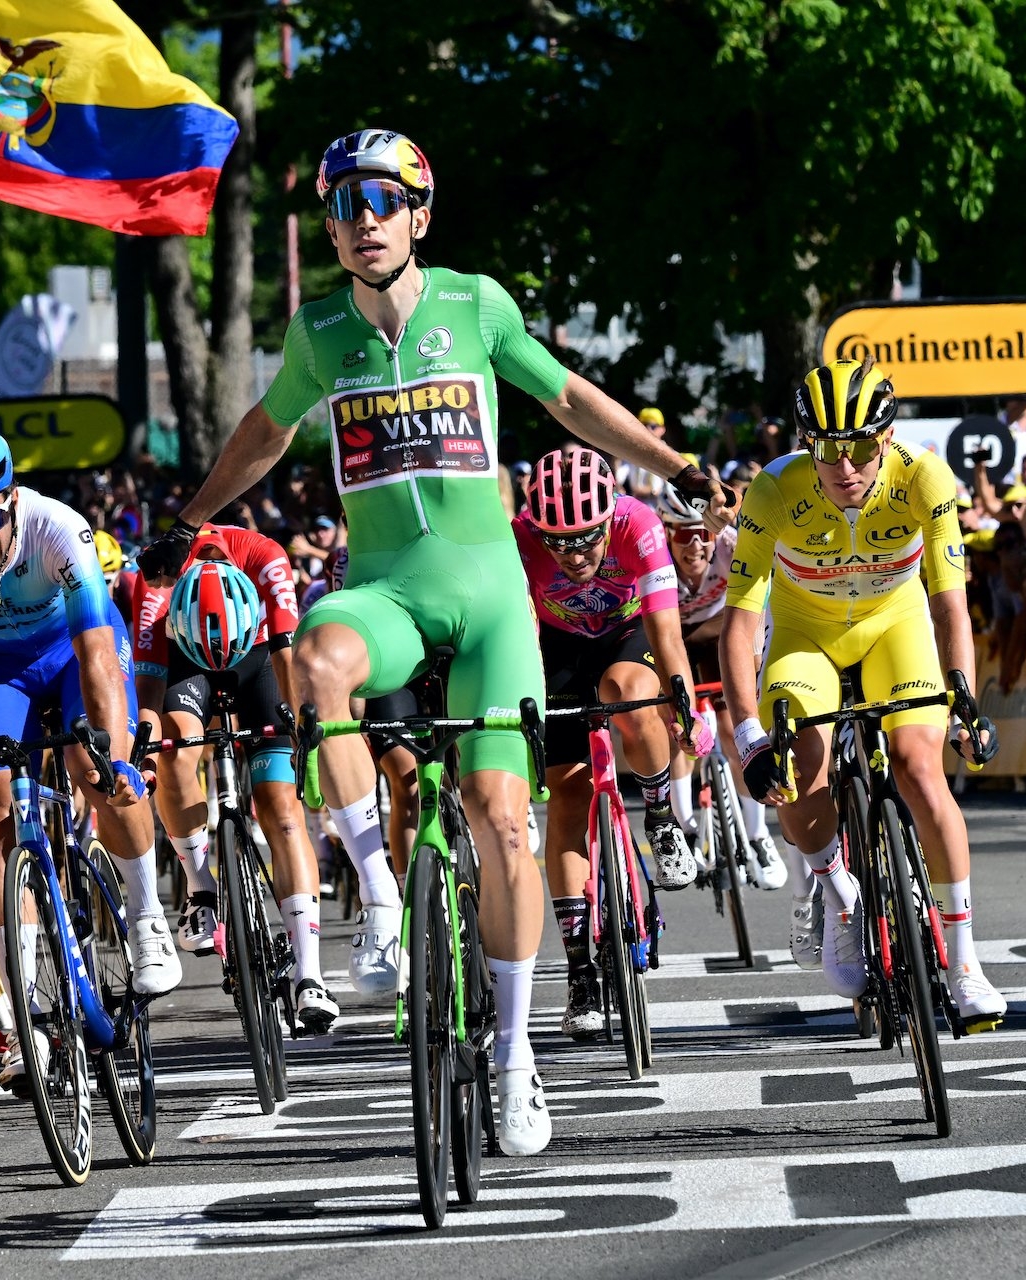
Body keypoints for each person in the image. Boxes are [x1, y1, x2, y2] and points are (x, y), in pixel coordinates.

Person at [137, 128, 727, 1156]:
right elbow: (267, 431)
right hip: (390, 597)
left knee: (505, 825)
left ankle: (511, 1055)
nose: (366, 221)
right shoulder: (319, 331)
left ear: (419, 214)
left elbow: (569, 398)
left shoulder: (477, 303)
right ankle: (375, 899)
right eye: (347, 205)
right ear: (329, 224)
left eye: (384, 202)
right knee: (318, 650)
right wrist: (190, 520)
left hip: (494, 602)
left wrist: (672, 467)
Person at [0, 425, 177, 1091]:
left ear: (13, 501)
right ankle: (23, 1025)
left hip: (74, 655)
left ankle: (144, 914)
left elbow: (102, 657)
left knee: (93, 770)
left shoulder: (58, 527)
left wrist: (117, 760)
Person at [720, 359, 1005, 1032]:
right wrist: (748, 739)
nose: (844, 465)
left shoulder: (923, 477)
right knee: (801, 766)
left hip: (893, 628)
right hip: (804, 637)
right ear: (805, 442)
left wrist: (965, 704)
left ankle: (965, 963)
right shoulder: (773, 489)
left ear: (887, 437)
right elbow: (738, 626)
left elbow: (951, 609)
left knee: (918, 765)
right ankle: (836, 892)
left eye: (860, 447)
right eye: (825, 447)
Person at [513, 446, 709, 1039]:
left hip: (628, 636)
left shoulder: (639, 525)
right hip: (556, 647)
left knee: (629, 688)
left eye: (587, 538)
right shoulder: (519, 538)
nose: (574, 555)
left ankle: (660, 815)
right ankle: (580, 974)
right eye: (559, 542)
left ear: (610, 517)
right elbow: (520, 635)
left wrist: (685, 705)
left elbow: (667, 633)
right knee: (568, 798)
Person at [127, 525, 337, 1029]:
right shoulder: (155, 584)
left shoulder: (266, 556)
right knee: (176, 750)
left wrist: (298, 728)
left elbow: (286, 655)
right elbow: (150, 685)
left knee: (282, 811)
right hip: (185, 664)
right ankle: (201, 888)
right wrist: (146, 754)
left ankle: (311, 975)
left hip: (257, 657)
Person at [659, 489, 787, 892]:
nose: (694, 546)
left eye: (702, 534)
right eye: (682, 535)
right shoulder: (655, 554)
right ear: (667, 532)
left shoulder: (732, 544)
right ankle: (685, 827)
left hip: (720, 627)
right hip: (672, 633)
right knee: (677, 728)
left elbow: (759, 606)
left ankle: (757, 835)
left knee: (735, 728)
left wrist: (751, 660)